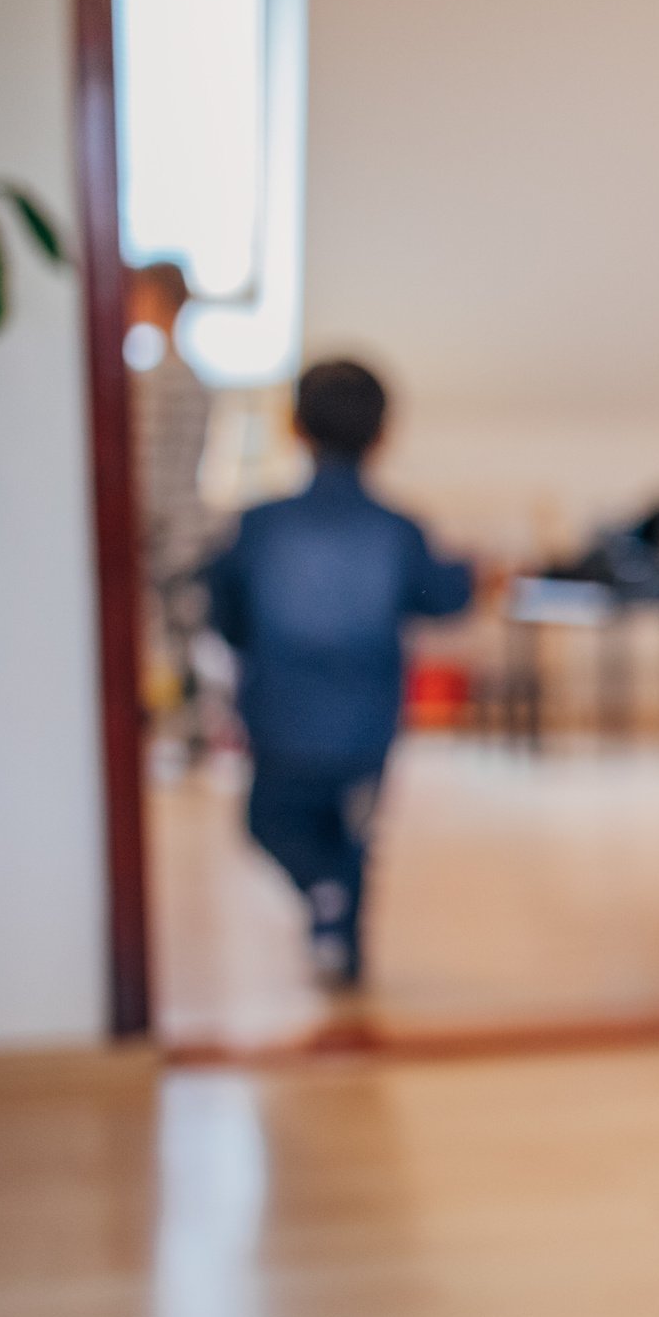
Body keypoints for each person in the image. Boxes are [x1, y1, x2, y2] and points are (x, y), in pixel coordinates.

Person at [202, 360, 473, 987]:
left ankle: (327, 906)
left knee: (269, 821)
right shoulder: (399, 529)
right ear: (384, 435)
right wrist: (467, 571)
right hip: (368, 720)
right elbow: (443, 599)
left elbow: (225, 614)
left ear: (293, 426)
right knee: (352, 837)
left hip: (279, 714)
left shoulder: (259, 525)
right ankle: (339, 932)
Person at [128, 260, 219, 742]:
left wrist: (139, 524)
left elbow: (149, 467)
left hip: (162, 527)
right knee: (184, 638)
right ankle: (192, 734)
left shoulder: (156, 380)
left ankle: (185, 734)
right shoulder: (193, 377)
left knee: (168, 639)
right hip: (188, 522)